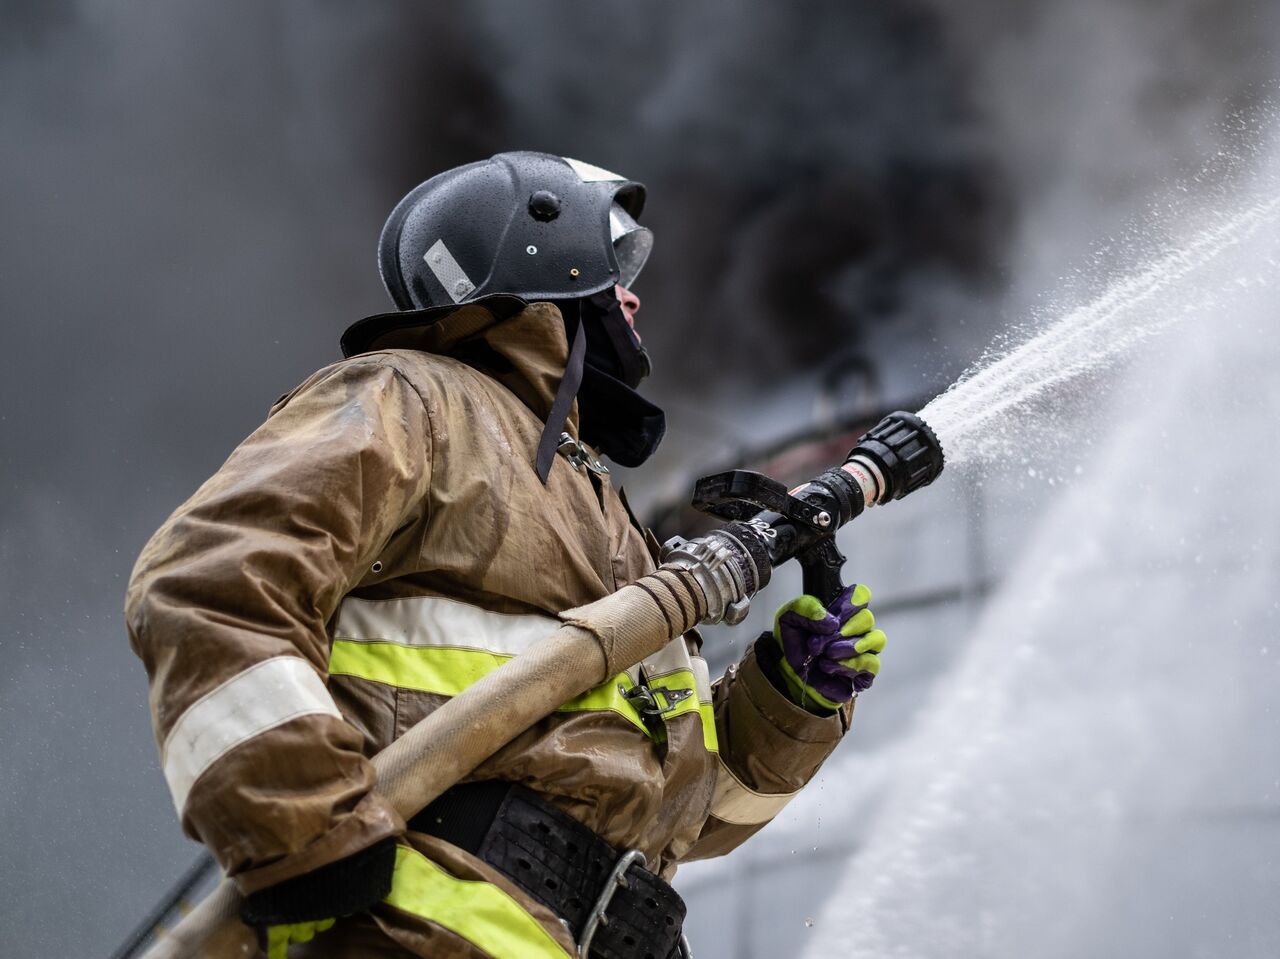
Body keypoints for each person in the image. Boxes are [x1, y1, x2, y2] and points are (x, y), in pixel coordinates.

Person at [126, 151, 887, 959]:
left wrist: (788, 703)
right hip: (415, 935)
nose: (633, 294)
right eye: (613, 259)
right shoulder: (413, 398)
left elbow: (683, 817)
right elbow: (210, 581)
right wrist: (301, 830)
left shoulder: (606, 513)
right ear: (539, 254)